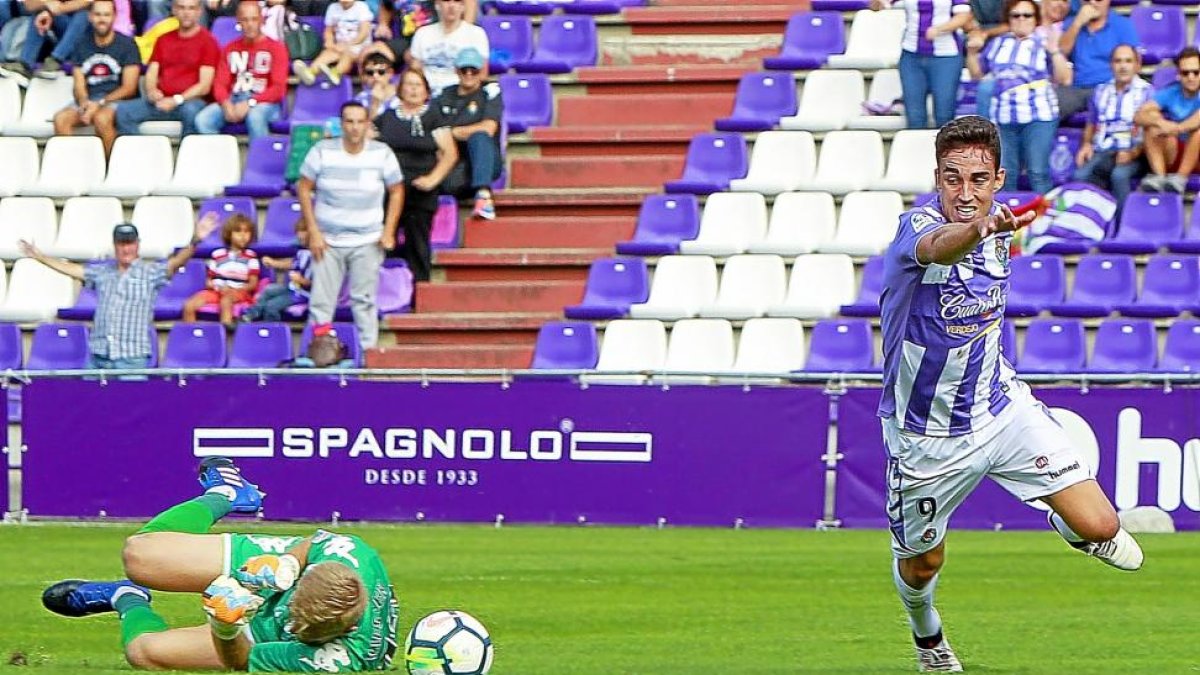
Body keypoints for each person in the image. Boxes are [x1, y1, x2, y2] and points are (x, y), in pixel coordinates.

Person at [878, 115, 1143, 673]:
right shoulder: (917, 229)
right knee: (922, 564)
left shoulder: (1000, 234)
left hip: (1001, 411)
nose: (965, 193)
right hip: (927, 438)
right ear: (937, 178)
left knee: (1101, 529)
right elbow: (936, 248)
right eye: (952, 179)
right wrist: (976, 231)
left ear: (997, 178)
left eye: (977, 179)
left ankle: (1063, 517)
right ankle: (928, 635)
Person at [41, 457, 399, 672]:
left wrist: (225, 627)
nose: (290, 617)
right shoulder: (349, 553)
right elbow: (313, 544)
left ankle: (126, 597)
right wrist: (286, 564)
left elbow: (242, 661)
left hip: (271, 629)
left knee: (144, 653)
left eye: (298, 625)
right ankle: (227, 493)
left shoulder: (335, 658)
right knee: (140, 555)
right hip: (283, 571)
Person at [18, 217, 217, 370]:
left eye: (129, 243)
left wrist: (195, 241)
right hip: (99, 356)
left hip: (132, 357)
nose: (126, 248)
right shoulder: (102, 272)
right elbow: (72, 270)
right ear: (115, 246)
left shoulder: (150, 272)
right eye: (122, 243)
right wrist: (41, 257)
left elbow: (176, 262)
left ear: (138, 244)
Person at [298, 101, 404, 351]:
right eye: (349, 122)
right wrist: (313, 231)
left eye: (360, 122)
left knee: (364, 301)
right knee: (321, 302)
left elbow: (397, 190)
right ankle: (320, 354)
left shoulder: (382, 153)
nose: (355, 128)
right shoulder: (322, 150)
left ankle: (368, 356)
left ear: (367, 124)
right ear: (341, 124)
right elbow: (303, 188)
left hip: (367, 239)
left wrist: (389, 230)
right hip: (327, 240)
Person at [965, 0, 1070, 194]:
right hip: (1003, 117)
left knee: (1037, 172)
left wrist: (1055, 50)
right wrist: (972, 53)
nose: (1021, 20)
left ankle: (1045, 220)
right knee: (1006, 173)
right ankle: (1009, 220)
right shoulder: (997, 43)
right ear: (1009, 19)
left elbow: (1065, 79)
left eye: (1027, 15)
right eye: (1016, 15)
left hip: (1038, 117)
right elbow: (977, 75)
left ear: (1035, 19)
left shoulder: (1044, 43)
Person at [377, 69, 458, 281]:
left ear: (426, 91)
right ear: (400, 89)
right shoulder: (387, 117)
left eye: (418, 85)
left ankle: (419, 290)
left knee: (418, 243)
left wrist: (432, 179)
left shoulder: (433, 117)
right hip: (388, 189)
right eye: (408, 84)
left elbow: (450, 153)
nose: (413, 89)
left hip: (419, 190)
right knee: (383, 241)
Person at [115, 0, 219, 137]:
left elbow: (204, 86)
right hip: (161, 100)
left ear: (199, 12)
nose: (186, 13)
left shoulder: (208, 41)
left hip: (190, 101)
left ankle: (186, 156)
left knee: (191, 111)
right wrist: (152, 91)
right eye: (181, 8)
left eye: (191, 8)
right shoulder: (163, 39)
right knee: (123, 111)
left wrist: (176, 100)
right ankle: (144, 154)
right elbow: (152, 73)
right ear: (174, 10)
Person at [53, 0, 140, 158]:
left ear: (114, 17)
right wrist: (85, 102)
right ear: (90, 16)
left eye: (106, 15)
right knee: (61, 119)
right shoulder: (80, 44)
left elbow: (129, 88)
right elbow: (78, 83)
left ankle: (110, 168)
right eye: (98, 14)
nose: (102, 19)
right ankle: (71, 167)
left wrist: (99, 103)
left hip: (117, 101)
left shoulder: (127, 45)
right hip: (90, 99)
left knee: (102, 118)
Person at [194, 0, 288, 140]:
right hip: (234, 99)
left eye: (254, 19)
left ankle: (258, 160)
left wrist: (250, 103)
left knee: (255, 116)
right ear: (238, 21)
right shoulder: (230, 48)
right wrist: (226, 104)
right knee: (203, 119)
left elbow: (278, 89)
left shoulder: (276, 48)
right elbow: (220, 84)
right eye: (245, 20)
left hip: (266, 103)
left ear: (261, 20)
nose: (250, 24)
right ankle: (223, 158)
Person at [1074, 43, 1152, 209]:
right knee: (1079, 176)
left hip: (1135, 153)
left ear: (1137, 65)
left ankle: (1122, 226)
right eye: (1118, 61)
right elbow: (1091, 124)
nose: (1123, 66)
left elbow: (1151, 132)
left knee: (1119, 176)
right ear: (1111, 65)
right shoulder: (1100, 91)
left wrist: (1132, 153)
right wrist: (1086, 144)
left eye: (1128, 61)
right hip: (1104, 150)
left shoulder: (1148, 92)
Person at [433, 46, 501, 220]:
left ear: (481, 71)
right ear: (457, 71)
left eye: (474, 70)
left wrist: (453, 132)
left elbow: (488, 128)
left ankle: (483, 195)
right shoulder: (444, 94)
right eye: (464, 70)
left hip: (484, 159)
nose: (469, 74)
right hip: (454, 162)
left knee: (479, 137)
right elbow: (434, 129)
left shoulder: (490, 91)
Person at [1057, 0, 1139, 120]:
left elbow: (1135, 62)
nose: (1093, 3)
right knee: (1048, 106)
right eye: (1087, 0)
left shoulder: (1122, 25)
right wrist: (1078, 23)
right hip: (1078, 89)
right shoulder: (1072, 23)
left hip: (1111, 87)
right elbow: (1061, 52)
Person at [1135, 46, 1200, 194]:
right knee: (1151, 127)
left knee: (1198, 132)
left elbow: (1197, 120)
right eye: (1185, 73)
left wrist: (1176, 128)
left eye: (1196, 72)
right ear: (1178, 74)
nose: (1191, 77)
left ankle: (1181, 179)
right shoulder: (1171, 91)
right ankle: (1159, 177)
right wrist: (1160, 122)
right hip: (1176, 151)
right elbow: (1139, 115)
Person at [182, 213, 261, 327]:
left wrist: (235, 289)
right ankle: (191, 335)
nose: (243, 235)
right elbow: (209, 280)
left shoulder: (251, 256)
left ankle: (225, 333)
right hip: (217, 290)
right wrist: (217, 287)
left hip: (238, 292)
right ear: (229, 234)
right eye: (238, 231)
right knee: (189, 305)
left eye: (247, 232)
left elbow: (253, 284)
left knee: (226, 301)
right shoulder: (218, 255)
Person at [358, 0, 477, 70]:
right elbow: (386, 5)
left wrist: (465, 30)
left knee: (413, 56)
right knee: (368, 54)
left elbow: (468, 2)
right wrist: (383, 24)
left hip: (436, 35)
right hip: (405, 40)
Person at [407, 0, 488, 96]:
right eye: (446, 1)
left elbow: (482, 74)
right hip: (426, 95)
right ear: (437, 5)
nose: (451, 6)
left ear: (463, 6)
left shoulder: (476, 34)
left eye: (457, 1)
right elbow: (415, 70)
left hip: (460, 95)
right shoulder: (422, 33)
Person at [0, 0, 93, 83]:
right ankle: (25, 65)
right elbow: (28, 4)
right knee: (39, 12)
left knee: (84, 14)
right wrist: (46, 5)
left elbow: (87, 2)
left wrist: (57, 9)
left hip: (86, 36)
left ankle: (56, 60)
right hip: (60, 28)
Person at [242, 221, 314, 322]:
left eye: (304, 239)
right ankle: (253, 313)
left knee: (271, 306)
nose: (301, 241)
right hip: (292, 288)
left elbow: (318, 285)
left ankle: (271, 328)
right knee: (269, 290)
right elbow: (292, 263)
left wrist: (301, 280)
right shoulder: (302, 251)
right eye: (300, 239)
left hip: (303, 295)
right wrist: (273, 262)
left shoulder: (318, 257)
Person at [291, 0, 373, 86]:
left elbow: (364, 32)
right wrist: (329, 42)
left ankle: (336, 72)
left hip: (359, 46)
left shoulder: (362, 7)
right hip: (339, 46)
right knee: (327, 53)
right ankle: (311, 72)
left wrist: (348, 45)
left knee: (348, 55)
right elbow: (329, 30)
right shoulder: (333, 8)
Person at [354, 52, 401, 120]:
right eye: (370, 72)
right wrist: (374, 104)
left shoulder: (402, 95)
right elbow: (361, 128)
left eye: (381, 72)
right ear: (364, 76)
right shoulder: (360, 99)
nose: (375, 76)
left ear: (390, 73)